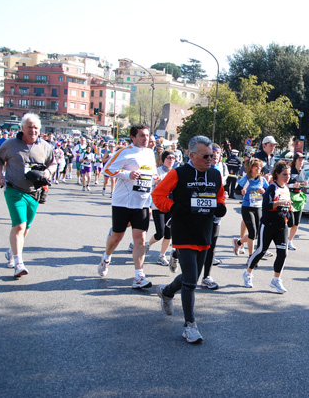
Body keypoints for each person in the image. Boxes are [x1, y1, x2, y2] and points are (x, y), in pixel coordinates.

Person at [152, 135, 226, 344]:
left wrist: (221, 206)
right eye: (205, 156)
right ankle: (189, 326)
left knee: (189, 277)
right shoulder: (179, 173)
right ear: (191, 155)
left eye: (212, 155)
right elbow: (158, 196)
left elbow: (219, 196)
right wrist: (174, 207)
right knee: (192, 281)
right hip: (184, 230)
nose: (210, 159)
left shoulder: (214, 174)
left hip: (205, 229)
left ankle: (167, 292)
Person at [0, 113, 56, 277]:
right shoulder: (10, 144)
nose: (33, 130)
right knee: (19, 225)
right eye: (29, 127)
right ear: (22, 128)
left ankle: (11, 250)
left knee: (25, 228)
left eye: (36, 127)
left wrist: (49, 171)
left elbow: (54, 163)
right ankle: (18, 262)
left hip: (34, 192)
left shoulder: (45, 146)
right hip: (14, 190)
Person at [97, 124, 159, 289]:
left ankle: (138, 276)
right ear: (133, 137)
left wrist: (155, 178)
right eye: (142, 136)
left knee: (140, 239)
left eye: (147, 135)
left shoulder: (149, 153)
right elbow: (107, 170)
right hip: (123, 202)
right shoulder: (125, 152)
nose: (146, 139)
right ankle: (106, 256)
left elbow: (151, 174)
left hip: (143, 203)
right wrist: (126, 174)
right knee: (117, 237)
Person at [242, 160, 293, 293]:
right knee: (261, 251)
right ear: (277, 174)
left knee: (283, 252)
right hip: (268, 225)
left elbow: (286, 205)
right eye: (284, 174)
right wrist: (279, 202)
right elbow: (266, 206)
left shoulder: (286, 189)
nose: (288, 177)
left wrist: (290, 208)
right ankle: (248, 273)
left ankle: (276, 280)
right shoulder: (272, 188)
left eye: (289, 174)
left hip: (282, 226)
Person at [201, 143, 228, 290]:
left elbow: (220, 192)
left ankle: (206, 276)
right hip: (197, 215)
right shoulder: (192, 170)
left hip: (214, 214)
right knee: (197, 244)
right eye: (210, 154)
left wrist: (221, 202)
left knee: (211, 245)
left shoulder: (218, 171)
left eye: (216, 154)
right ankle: (177, 253)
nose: (213, 157)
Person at [233, 158, 268, 257]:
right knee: (252, 232)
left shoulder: (262, 180)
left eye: (260, 167)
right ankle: (251, 256)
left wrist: (264, 192)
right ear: (251, 168)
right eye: (256, 166)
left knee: (256, 233)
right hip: (247, 207)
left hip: (258, 207)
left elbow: (268, 192)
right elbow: (236, 191)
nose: (258, 168)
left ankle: (239, 242)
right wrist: (241, 192)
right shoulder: (246, 179)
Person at [147, 150, 175, 267]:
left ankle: (162, 256)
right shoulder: (157, 172)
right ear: (163, 159)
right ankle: (147, 245)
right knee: (160, 233)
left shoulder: (175, 173)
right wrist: (157, 184)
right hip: (158, 205)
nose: (171, 160)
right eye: (169, 157)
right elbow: (150, 189)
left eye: (173, 158)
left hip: (170, 206)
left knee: (169, 234)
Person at [287, 152, 308, 250]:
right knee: (290, 222)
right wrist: (292, 185)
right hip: (289, 197)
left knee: (296, 223)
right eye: (299, 160)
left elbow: (301, 184)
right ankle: (281, 237)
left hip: (299, 198)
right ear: (295, 161)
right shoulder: (290, 171)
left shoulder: (303, 172)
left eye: (302, 160)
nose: (301, 162)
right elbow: (283, 184)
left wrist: (304, 184)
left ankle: (290, 241)